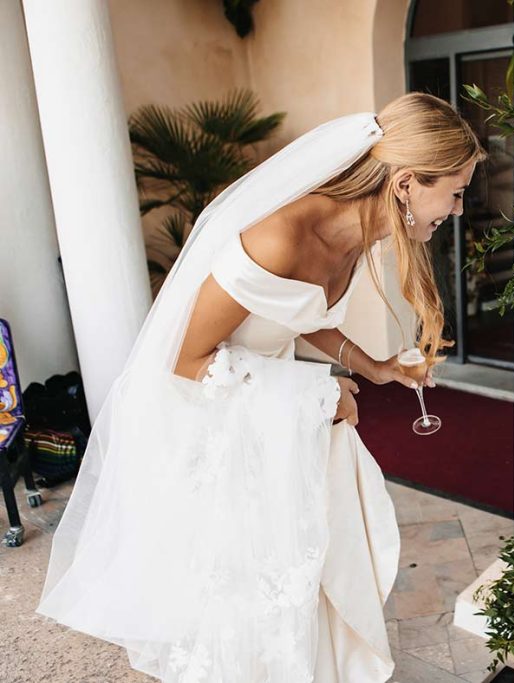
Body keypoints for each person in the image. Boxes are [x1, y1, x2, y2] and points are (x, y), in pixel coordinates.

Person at [34, 92, 486, 683]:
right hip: (214, 418)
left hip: (268, 412)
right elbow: (184, 359)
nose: (455, 210)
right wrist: (319, 397)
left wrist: (374, 367)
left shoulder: (362, 232)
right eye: (453, 192)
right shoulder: (277, 236)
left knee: (304, 561)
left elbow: (303, 313)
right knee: (248, 580)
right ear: (406, 184)